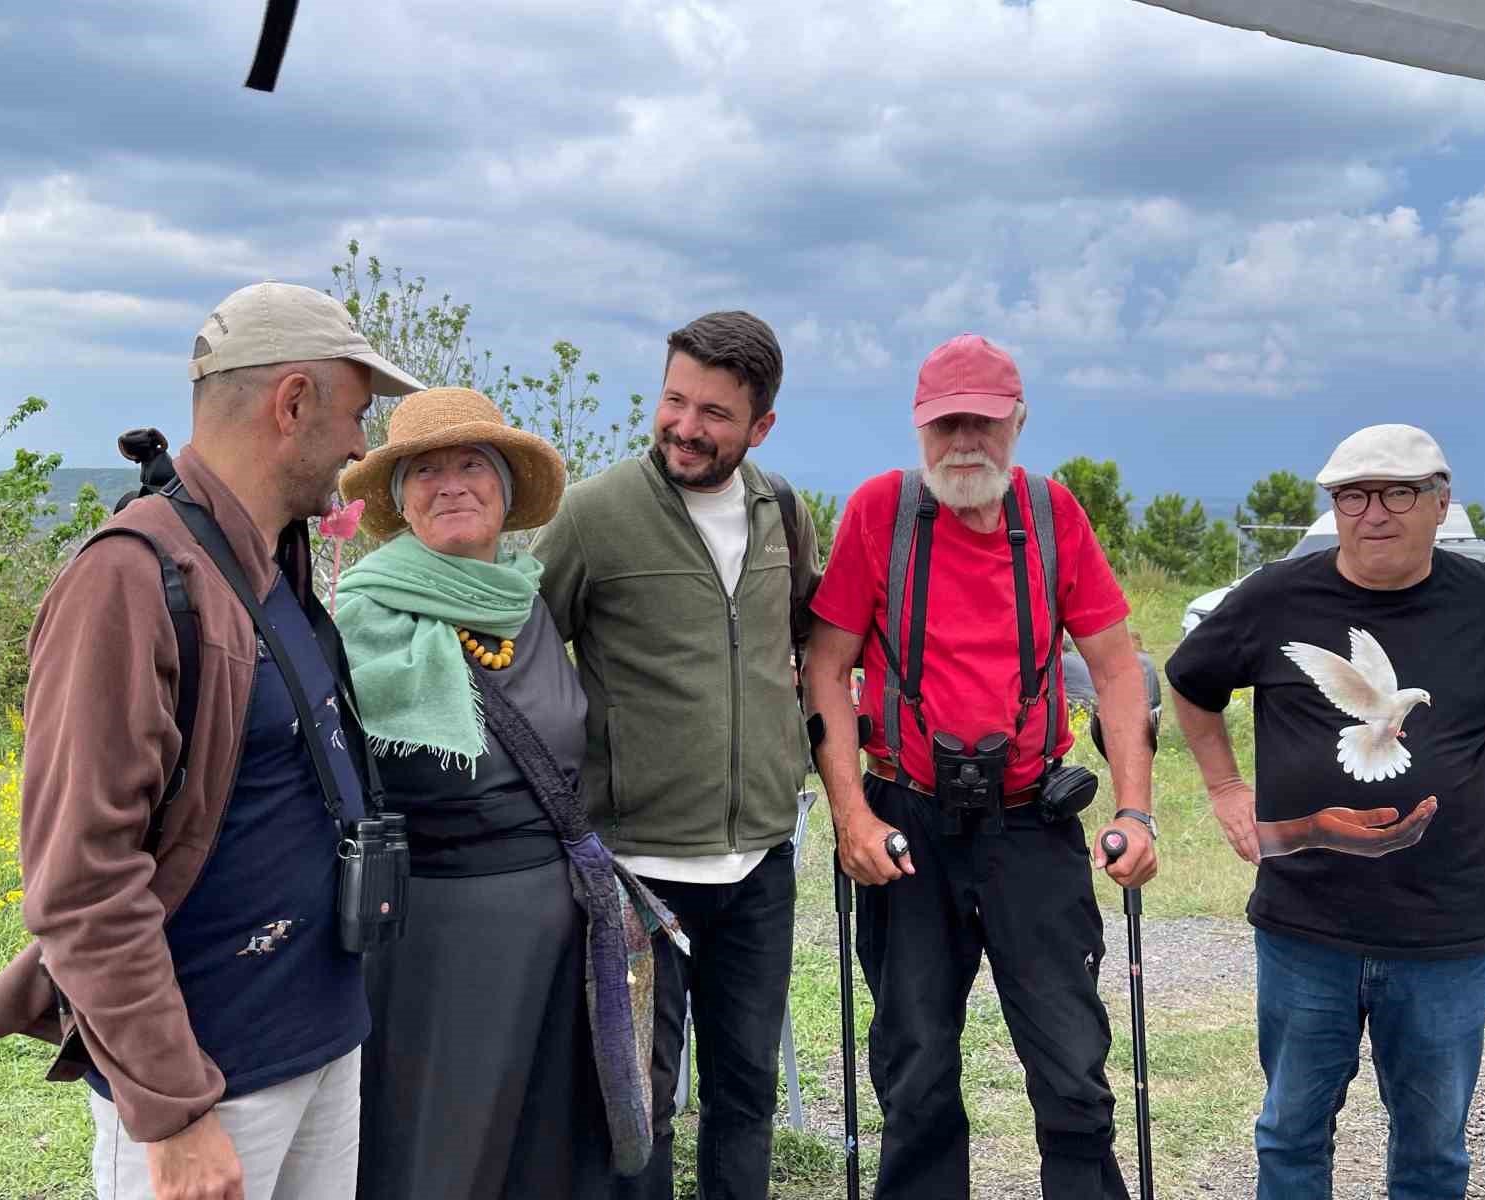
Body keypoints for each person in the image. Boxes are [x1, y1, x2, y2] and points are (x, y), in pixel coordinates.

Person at [0, 281, 425, 1200]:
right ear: (293, 402)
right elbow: (81, 879)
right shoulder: (129, 581)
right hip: (212, 1082)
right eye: (356, 414)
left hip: (320, 1041)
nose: (362, 446)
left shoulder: (270, 561)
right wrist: (172, 1111)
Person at [804, 333, 1157, 1200]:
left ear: (1019, 422)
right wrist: (853, 816)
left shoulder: (1050, 514)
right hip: (908, 819)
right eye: (945, 423)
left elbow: (1116, 666)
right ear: (920, 426)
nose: (964, 441)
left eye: (984, 423)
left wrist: (1137, 813)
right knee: (915, 1060)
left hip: (1034, 820)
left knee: (1073, 1063)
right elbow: (825, 666)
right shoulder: (879, 513)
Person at [1165, 423, 1485, 1200]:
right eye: (1352, 495)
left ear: (1441, 503)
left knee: (1434, 1153)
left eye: (1398, 492)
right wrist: (1229, 790)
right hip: (1306, 927)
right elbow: (1191, 682)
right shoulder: (1276, 596)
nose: (1374, 512)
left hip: (1446, 932)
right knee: (1291, 1136)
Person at [532, 310, 821, 1200]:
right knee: (638, 1106)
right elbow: (527, 656)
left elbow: (810, 645)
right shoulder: (592, 516)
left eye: (715, 414)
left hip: (761, 863)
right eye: (674, 399)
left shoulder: (784, 513)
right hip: (635, 874)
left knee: (747, 1093)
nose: (685, 428)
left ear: (761, 426)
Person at [333, 386, 610, 1198]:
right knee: (437, 1147)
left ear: (503, 486)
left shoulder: (527, 600)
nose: (451, 483)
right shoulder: (365, 611)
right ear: (400, 500)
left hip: (553, 923)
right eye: (426, 471)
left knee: (540, 1142)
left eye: (470, 465)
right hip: (434, 928)